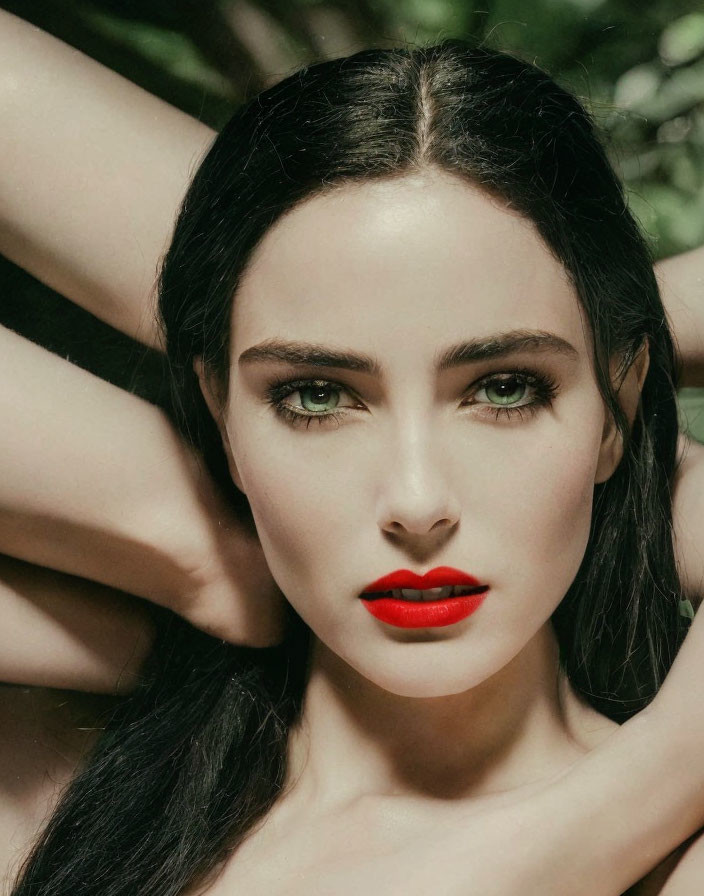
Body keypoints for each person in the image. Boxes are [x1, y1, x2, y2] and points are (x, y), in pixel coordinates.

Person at [3, 12, 704, 895]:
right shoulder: (64, 794)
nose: (415, 501)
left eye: (505, 387)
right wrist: (196, 558)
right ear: (223, 414)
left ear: (617, 403)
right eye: (317, 396)